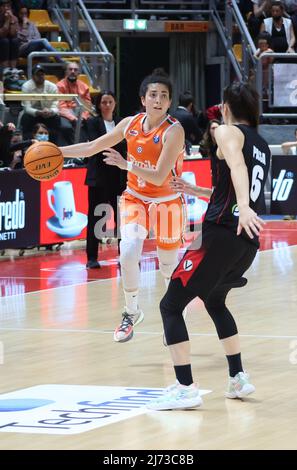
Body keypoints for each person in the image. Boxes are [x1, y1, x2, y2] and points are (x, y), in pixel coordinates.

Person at [146, 82, 271, 411]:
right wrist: (195, 189)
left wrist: (243, 206)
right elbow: (228, 186)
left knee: (170, 305)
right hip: (246, 241)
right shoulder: (262, 144)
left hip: (218, 234)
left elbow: (238, 170)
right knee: (215, 301)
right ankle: (237, 377)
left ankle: (185, 387)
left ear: (227, 106)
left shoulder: (228, 131)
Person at [60, 68, 185, 343]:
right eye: (153, 94)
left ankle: (172, 316)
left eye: (164, 96)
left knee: (167, 267)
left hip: (167, 202)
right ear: (143, 99)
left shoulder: (174, 131)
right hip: (136, 198)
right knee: (127, 253)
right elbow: (93, 146)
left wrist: (125, 164)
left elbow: (161, 175)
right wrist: (58, 153)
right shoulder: (129, 124)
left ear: (169, 102)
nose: (158, 100)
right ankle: (131, 312)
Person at [85, 91, 127, 269]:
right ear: (99, 105)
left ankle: (124, 256)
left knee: (122, 219)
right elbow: (97, 144)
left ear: (115, 103)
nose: (107, 105)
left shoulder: (121, 123)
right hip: (99, 178)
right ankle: (92, 257)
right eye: (104, 102)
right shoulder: (92, 123)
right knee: (95, 218)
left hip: (118, 177)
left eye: (110, 101)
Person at [172, 91, 202, 155]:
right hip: (186, 147)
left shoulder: (172, 115)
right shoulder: (188, 116)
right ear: (191, 104)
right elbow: (198, 134)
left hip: (173, 146)